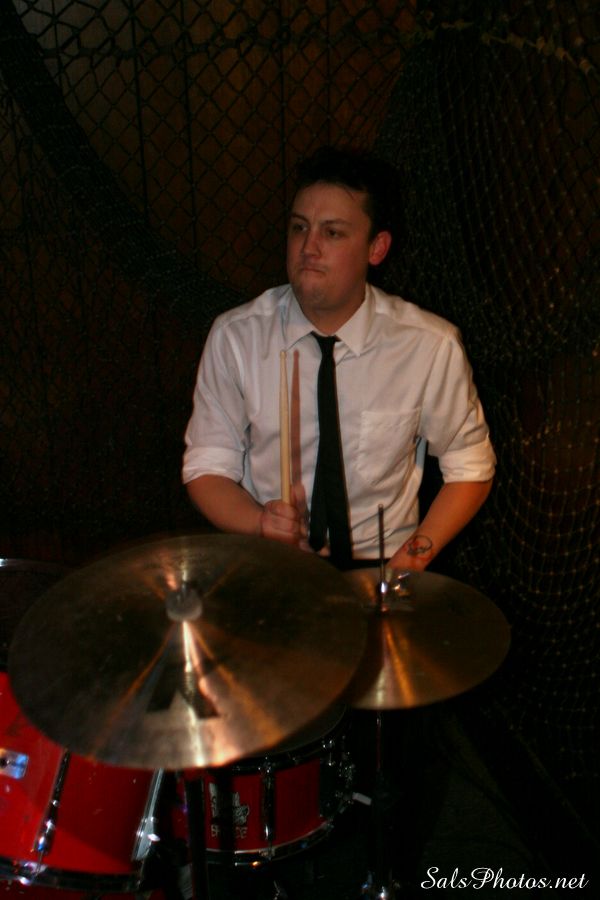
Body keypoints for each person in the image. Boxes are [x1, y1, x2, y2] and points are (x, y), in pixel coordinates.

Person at [182, 146, 496, 572]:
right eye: (299, 228)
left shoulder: (429, 346)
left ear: (376, 248)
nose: (308, 247)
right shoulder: (237, 337)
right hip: (272, 557)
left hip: (385, 560)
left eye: (332, 233)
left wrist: (410, 560)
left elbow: (471, 466)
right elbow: (206, 467)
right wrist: (260, 523)